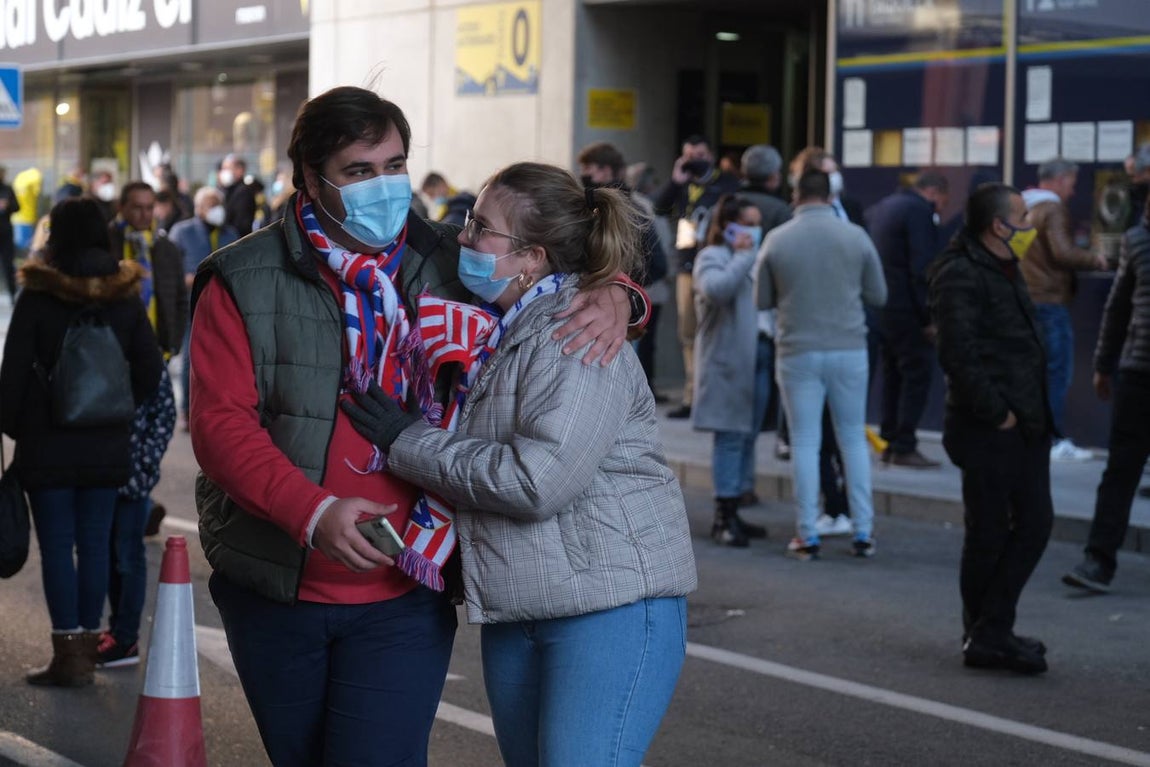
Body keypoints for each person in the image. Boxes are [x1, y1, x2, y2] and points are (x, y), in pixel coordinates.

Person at [188, 86, 644, 767]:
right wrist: (313, 513)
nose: (384, 185)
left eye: (395, 163)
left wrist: (616, 292)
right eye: (359, 170)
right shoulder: (242, 277)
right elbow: (220, 427)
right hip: (278, 587)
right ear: (310, 178)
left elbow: (549, 277)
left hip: (406, 593)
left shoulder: (450, 260)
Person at [340, 160, 697, 767]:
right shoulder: (505, 320)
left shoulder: (578, 336)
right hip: (522, 605)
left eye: (481, 227)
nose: (463, 237)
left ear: (531, 258)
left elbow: (536, 482)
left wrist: (409, 440)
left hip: (606, 608)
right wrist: (619, 286)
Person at [0, 198, 163, 687]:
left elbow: (11, 377)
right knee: (95, 546)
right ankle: (91, 650)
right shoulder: (125, 296)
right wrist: (116, 407)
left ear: (57, 238)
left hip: (47, 446)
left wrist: (17, 425)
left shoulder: (38, 295)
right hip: (107, 446)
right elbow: (152, 371)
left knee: (56, 548)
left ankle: (67, 656)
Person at [928, 182, 1053, 675]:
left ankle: (989, 629)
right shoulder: (959, 272)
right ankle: (986, 634)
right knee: (989, 533)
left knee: (1032, 525)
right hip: (991, 427)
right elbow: (957, 353)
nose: (1028, 226)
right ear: (999, 226)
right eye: (1022, 217)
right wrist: (998, 413)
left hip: (1025, 421)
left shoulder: (1003, 263)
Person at [755, 170, 886, 561]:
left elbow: (760, 301)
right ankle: (863, 531)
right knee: (852, 439)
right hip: (849, 347)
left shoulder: (778, 239)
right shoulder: (856, 236)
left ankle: (807, 533)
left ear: (795, 195)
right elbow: (878, 294)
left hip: (797, 349)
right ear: (831, 195)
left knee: (806, 442)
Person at [98, 182, 187, 666]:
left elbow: (175, 301)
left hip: (154, 358)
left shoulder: (165, 249)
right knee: (112, 543)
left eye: (148, 208)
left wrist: (169, 342)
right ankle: (109, 632)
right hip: (120, 367)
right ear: (121, 208)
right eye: (134, 207)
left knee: (123, 547)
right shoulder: (108, 248)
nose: (141, 214)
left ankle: (123, 634)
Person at [1062, 194, 1150, 593]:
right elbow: (1118, 308)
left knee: (1120, 471)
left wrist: (1103, 363)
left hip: (1137, 370)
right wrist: (1102, 363)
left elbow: (1118, 308)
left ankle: (1097, 562)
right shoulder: (1138, 240)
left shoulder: (1137, 238)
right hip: (1138, 371)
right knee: (1121, 469)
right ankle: (1097, 559)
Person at [693, 195, 771, 546]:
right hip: (728, 359)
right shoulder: (713, 257)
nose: (754, 231)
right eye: (747, 223)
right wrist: (742, 257)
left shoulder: (757, 257)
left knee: (747, 435)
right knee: (729, 436)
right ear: (728, 227)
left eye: (757, 223)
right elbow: (716, 290)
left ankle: (737, 505)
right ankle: (723, 515)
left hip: (759, 354)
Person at [1020, 158, 1109, 462]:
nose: (1072, 191)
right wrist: (1095, 259)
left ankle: (1032, 436)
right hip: (1050, 300)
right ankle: (1053, 438)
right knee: (1057, 373)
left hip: (1028, 299)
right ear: (1059, 180)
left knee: (1034, 373)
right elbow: (1062, 251)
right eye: (1071, 183)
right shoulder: (1053, 208)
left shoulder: (1024, 205)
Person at [866, 170, 949, 468]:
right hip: (909, 310)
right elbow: (922, 268)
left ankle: (889, 439)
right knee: (916, 374)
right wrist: (930, 316)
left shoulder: (883, 206)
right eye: (942, 201)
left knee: (892, 374)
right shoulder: (918, 212)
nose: (941, 208)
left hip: (882, 307)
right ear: (935, 192)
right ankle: (904, 444)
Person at [654, 135, 741, 419]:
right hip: (686, 265)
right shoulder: (681, 184)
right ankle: (692, 397)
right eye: (689, 155)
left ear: (711, 156)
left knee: (715, 333)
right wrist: (675, 181)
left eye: (700, 154)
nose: (695, 160)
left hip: (716, 263)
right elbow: (658, 207)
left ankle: (714, 393)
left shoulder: (726, 182)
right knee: (688, 333)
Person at [578, 141, 668, 398]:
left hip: (619, 312)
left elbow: (657, 263)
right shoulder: (588, 205)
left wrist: (622, 288)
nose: (584, 174)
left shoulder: (627, 208)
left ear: (606, 170)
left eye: (589, 168)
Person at [169, 186, 239, 429]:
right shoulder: (181, 231)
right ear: (199, 208)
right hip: (192, 300)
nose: (216, 210)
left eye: (218, 203)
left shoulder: (231, 234)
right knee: (191, 355)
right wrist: (186, 279)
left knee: (225, 357)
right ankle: (187, 410)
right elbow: (170, 267)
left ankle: (219, 410)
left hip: (223, 302)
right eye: (211, 204)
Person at [217, 153, 257, 235]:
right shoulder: (230, 190)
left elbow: (241, 225)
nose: (223, 172)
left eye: (227, 168)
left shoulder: (243, 192)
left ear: (240, 170)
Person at [0, 166, 21, 301]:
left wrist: (7, 206)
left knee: (8, 264)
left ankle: (12, 294)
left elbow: (17, 206)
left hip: (5, 231)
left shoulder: (7, 189)